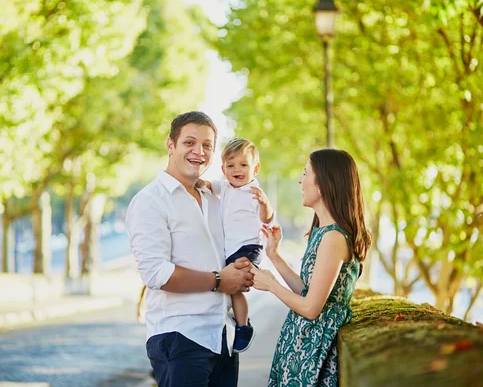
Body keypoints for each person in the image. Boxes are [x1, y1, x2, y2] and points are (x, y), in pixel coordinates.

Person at [126, 111, 254, 387]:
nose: (199, 152)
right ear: (170, 145)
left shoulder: (216, 197)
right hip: (180, 338)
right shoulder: (150, 201)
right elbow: (156, 274)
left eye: (207, 145)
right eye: (189, 143)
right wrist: (220, 280)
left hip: (223, 336)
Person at [250, 148, 371, 387]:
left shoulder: (334, 238)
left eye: (306, 173)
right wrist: (274, 256)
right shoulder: (322, 232)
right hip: (302, 347)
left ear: (323, 184)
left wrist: (272, 285)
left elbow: (311, 308)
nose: (300, 180)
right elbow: (307, 290)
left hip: (313, 353)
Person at [198, 137, 275, 353]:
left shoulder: (254, 192)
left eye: (243, 165)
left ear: (255, 168)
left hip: (249, 247)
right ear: (223, 169)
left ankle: (243, 327)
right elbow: (209, 185)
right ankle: (239, 319)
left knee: (235, 287)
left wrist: (265, 204)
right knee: (231, 288)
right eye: (230, 165)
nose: (237, 170)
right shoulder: (225, 186)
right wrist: (200, 183)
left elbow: (267, 218)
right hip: (230, 248)